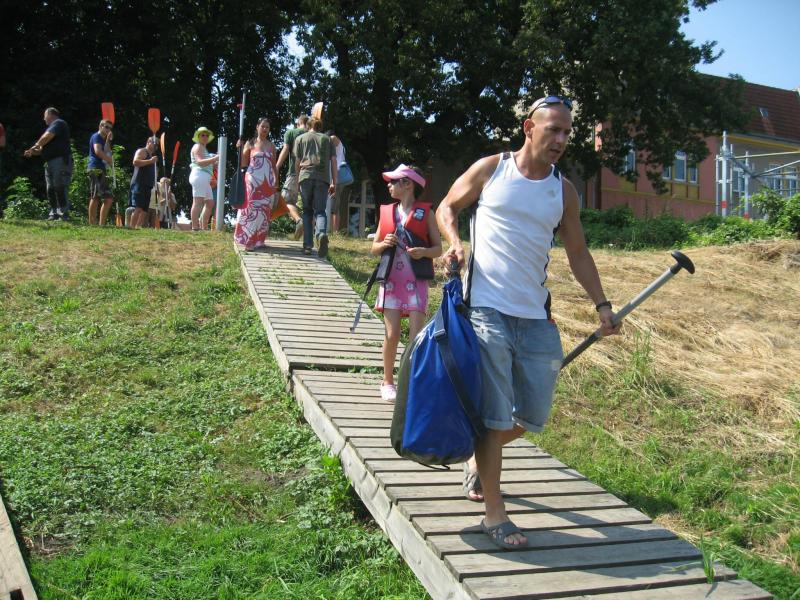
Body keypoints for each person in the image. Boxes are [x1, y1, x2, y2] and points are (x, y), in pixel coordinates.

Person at [436, 95, 621, 550]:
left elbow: (578, 252)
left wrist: (602, 304)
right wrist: (454, 242)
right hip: (486, 310)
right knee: (494, 413)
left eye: (567, 132)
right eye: (553, 129)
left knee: (531, 415)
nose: (561, 139)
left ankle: (478, 459)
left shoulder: (564, 191)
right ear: (528, 128)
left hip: (536, 316)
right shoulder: (492, 170)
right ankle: (494, 514)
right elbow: (447, 207)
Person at [371, 164, 442, 402]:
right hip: (391, 281)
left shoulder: (426, 214)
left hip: (416, 283)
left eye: (394, 181)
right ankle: (387, 381)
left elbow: (438, 249)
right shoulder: (388, 212)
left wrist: (424, 252)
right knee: (391, 334)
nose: (389, 185)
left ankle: (410, 383)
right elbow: (374, 248)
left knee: (415, 337)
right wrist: (384, 243)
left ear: (408, 184)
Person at [234, 117, 279, 251]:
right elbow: (243, 163)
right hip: (253, 179)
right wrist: (239, 148)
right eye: (262, 126)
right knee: (251, 208)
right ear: (257, 127)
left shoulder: (272, 146)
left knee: (264, 209)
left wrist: (276, 183)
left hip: (267, 182)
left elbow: (274, 166)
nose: (265, 129)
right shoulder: (250, 143)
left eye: (267, 127)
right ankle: (248, 240)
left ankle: (259, 240)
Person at [294, 117, 336, 256]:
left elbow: (297, 162)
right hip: (323, 178)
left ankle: (307, 246)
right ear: (320, 126)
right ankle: (321, 234)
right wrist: (334, 182)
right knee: (320, 211)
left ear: (308, 125)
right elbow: (333, 161)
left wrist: (297, 181)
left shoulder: (300, 139)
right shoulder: (327, 139)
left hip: (305, 177)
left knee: (307, 211)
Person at [23, 107, 73, 220]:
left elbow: (47, 137)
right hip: (49, 162)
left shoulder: (59, 123)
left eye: (45, 116)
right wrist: (32, 152)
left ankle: (63, 213)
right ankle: (54, 213)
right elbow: (42, 149)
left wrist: (35, 145)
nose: (44, 119)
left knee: (60, 186)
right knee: (50, 188)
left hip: (60, 160)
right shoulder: (52, 129)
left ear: (50, 115)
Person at [275, 114, 308, 240]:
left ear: (298, 123)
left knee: (285, 201)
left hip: (294, 172)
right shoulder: (314, 135)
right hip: (311, 174)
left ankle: (299, 220)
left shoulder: (291, 133)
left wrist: (277, 166)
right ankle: (308, 235)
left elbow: (285, 149)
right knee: (308, 205)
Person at [189, 126, 219, 231]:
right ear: (198, 136)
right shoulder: (198, 146)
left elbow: (206, 164)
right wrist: (215, 158)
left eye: (207, 135)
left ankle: (204, 227)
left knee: (210, 203)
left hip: (204, 178)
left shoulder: (203, 148)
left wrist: (214, 163)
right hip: (199, 176)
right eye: (202, 135)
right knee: (197, 202)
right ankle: (195, 227)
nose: (205, 137)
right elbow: (199, 162)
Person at [87, 119, 115, 225]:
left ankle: (101, 224)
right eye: (106, 127)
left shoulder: (103, 139)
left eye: (110, 128)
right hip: (95, 168)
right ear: (100, 126)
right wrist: (109, 160)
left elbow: (106, 150)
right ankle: (92, 223)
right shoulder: (96, 136)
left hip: (101, 169)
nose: (108, 130)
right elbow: (98, 151)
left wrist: (108, 140)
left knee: (108, 198)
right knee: (95, 196)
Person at [326, 130, 353, 233]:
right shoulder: (340, 147)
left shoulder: (335, 140)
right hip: (336, 176)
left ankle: (334, 231)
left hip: (336, 176)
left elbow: (332, 138)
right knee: (334, 204)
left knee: (334, 205)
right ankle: (333, 230)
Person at [129, 137, 158, 228]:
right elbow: (135, 162)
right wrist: (150, 161)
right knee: (138, 207)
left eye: (157, 144)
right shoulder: (142, 151)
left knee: (145, 209)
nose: (155, 145)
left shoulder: (152, 157)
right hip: (139, 183)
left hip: (148, 185)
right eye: (154, 143)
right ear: (148, 142)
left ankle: (138, 227)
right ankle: (132, 227)